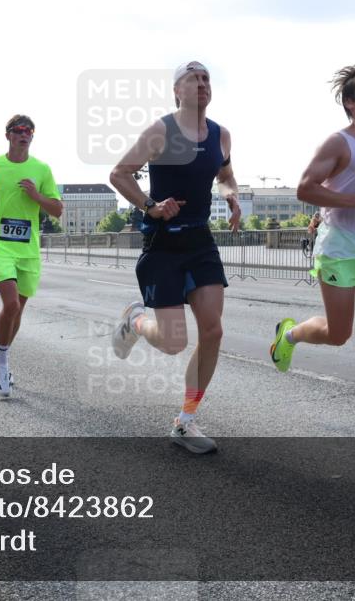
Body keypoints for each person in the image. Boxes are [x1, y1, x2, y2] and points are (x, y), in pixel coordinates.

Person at [268, 64, 355, 447]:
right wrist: (351, 200)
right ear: (350, 103)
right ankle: (291, 334)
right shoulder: (337, 144)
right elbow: (304, 189)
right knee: (339, 333)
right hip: (338, 248)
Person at [109, 61, 240, 455]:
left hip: (201, 241)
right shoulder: (160, 131)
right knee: (172, 342)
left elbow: (226, 175)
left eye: (206, 79)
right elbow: (119, 174)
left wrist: (231, 195)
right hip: (163, 243)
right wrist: (150, 205)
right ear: (176, 91)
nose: (201, 85)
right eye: (193, 79)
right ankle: (135, 319)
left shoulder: (221, 136)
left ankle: (185, 422)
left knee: (213, 330)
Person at [0, 114, 63, 397]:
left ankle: (0, 355)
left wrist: (36, 196)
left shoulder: (42, 169)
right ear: (8, 135)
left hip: (28, 249)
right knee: (10, 304)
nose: (24, 134)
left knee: (19, 309)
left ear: (32, 137)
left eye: (29, 131)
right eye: (18, 130)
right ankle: (2, 363)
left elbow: (57, 209)